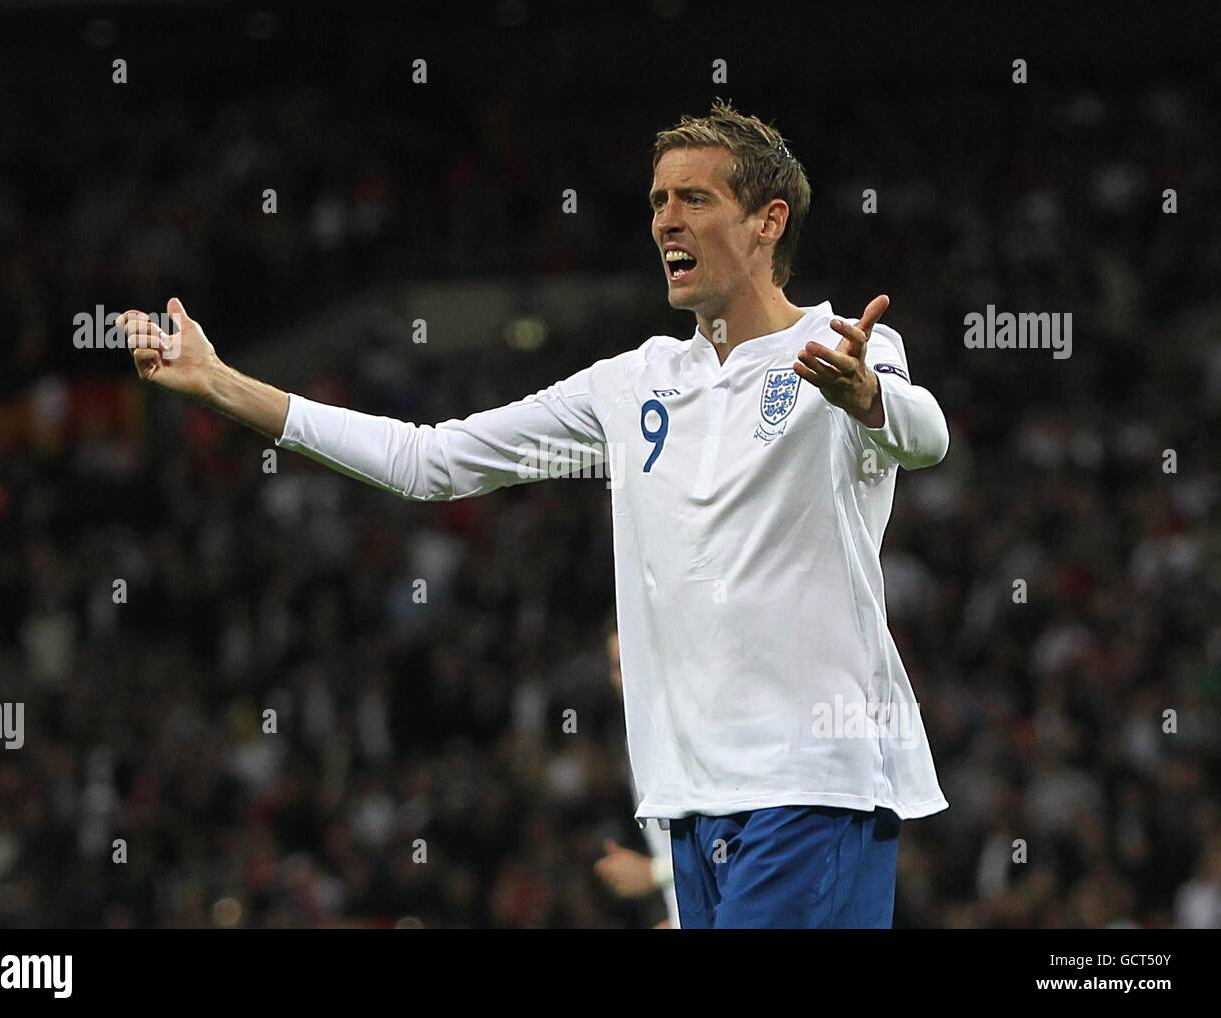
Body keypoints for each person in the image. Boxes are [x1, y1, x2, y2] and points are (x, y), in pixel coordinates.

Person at [120, 99, 950, 928]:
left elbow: (925, 437)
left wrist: (869, 397)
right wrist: (224, 385)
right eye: (657, 201)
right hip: (692, 800)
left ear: (770, 221)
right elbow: (431, 462)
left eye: (694, 199)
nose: (667, 220)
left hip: (813, 780)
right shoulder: (630, 386)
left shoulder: (840, 348)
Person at [594, 628, 680, 928]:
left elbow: (733, 845)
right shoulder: (641, 741)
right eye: (614, 666)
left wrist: (653, 873)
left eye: (626, 663)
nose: (616, 678)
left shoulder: (683, 738)